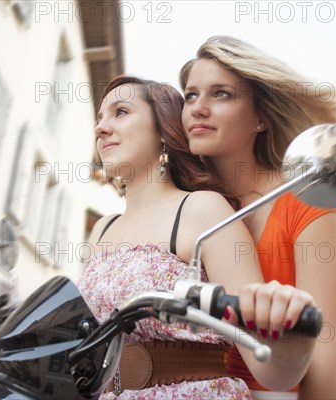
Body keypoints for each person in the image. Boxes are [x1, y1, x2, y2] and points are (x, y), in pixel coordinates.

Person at [79, 75, 322, 400]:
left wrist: (295, 341)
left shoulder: (203, 209)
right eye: (99, 118)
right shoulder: (102, 229)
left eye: (121, 112)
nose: (101, 128)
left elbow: (266, 364)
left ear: (164, 129)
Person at [179, 35, 336, 399]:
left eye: (220, 93)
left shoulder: (309, 201)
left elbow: (324, 358)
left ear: (260, 117)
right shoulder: (193, 209)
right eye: (191, 95)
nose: (198, 108)